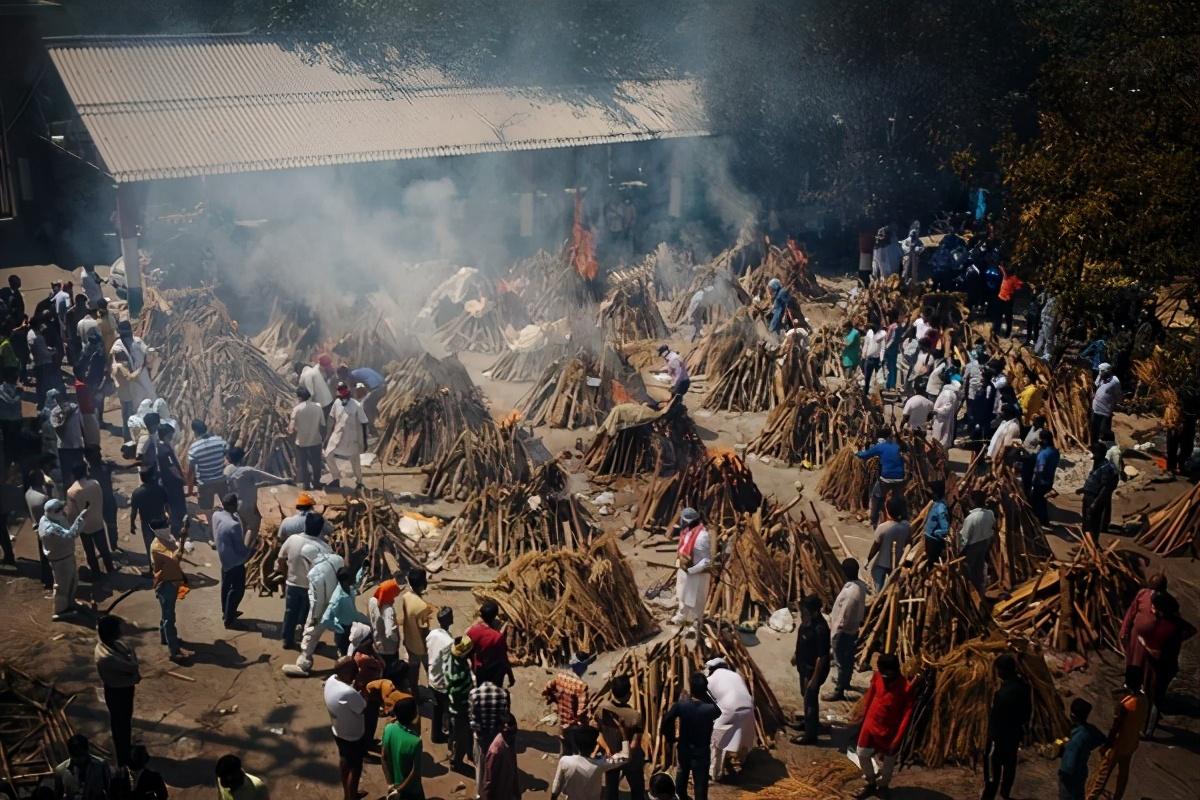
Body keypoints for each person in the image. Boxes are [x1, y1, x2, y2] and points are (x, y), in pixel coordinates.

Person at [1128, 591, 1195, 736]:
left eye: (1154, 606)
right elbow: (1191, 630)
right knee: (1156, 695)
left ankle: (1147, 731)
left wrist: (1143, 643)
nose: (1151, 607)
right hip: (1170, 665)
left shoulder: (1163, 629)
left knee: (1154, 699)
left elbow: (1155, 652)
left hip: (1160, 668)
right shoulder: (1176, 622)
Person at [854, 654, 913, 798]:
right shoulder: (877, 677)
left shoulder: (906, 688)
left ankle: (884, 786)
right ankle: (870, 781)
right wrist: (862, 719)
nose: (885, 677)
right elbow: (870, 697)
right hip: (870, 724)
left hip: (890, 730)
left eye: (888, 674)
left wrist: (897, 740)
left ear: (896, 670)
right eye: (883, 673)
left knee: (888, 762)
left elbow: (906, 716)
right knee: (861, 753)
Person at [1085, 666, 1148, 800]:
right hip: (1132, 743)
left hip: (1118, 745)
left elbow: (1115, 728)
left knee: (1102, 775)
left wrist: (1106, 746)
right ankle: (1118, 797)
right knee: (1123, 772)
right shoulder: (1144, 700)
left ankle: (1090, 798)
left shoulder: (1125, 704)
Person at [284, 547, 347, 676]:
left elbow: (317, 600)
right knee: (343, 632)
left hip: (324, 607)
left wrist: (313, 618)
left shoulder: (315, 574)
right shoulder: (337, 559)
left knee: (310, 634)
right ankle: (346, 662)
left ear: (307, 559)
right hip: (341, 601)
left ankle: (304, 664)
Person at [275, 511, 331, 649]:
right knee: (310, 617)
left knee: (290, 613)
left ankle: (287, 640)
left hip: (292, 584)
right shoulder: (324, 548)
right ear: (320, 529)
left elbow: (281, 559)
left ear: (305, 525)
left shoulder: (292, 540)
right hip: (311, 588)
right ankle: (307, 642)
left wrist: (285, 573)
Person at [981, 653, 1032, 800]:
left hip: (997, 739)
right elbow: (1027, 713)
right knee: (1009, 767)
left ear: (1002, 671)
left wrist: (990, 738)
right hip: (1014, 736)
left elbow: (996, 719)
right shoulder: (1024, 687)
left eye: (998, 670)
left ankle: (988, 797)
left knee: (992, 773)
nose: (997, 673)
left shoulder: (1002, 695)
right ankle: (1005, 794)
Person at [662, 671, 721, 800]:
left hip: (684, 748)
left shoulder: (682, 706)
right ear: (705, 689)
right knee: (700, 785)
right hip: (702, 751)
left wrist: (670, 738)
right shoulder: (709, 709)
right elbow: (719, 712)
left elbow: (666, 720)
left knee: (681, 779)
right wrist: (706, 693)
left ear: (691, 689)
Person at [95, 615, 141, 767]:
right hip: (119, 692)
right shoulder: (108, 657)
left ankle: (125, 749)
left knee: (122, 722)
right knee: (121, 724)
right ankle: (124, 758)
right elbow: (133, 666)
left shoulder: (108, 646)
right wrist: (132, 659)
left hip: (120, 688)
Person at [324, 657, 368, 800]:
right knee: (355, 769)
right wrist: (362, 688)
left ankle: (347, 794)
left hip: (338, 730)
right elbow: (362, 707)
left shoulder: (331, 680)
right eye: (354, 672)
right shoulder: (348, 693)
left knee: (345, 762)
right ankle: (352, 796)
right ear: (346, 673)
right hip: (353, 736)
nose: (355, 675)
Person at [705, 658, 754, 782]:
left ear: (711, 669)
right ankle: (742, 761)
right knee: (744, 735)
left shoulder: (710, 679)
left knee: (717, 741)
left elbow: (707, 702)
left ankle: (715, 773)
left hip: (729, 708)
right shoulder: (736, 676)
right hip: (748, 707)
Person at [825, 558, 867, 702]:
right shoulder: (860, 586)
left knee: (841, 661)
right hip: (852, 629)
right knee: (848, 659)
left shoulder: (850, 593)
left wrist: (835, 634)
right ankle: (845, 682)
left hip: (843, 631)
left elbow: (843, 616)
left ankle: (839, 691)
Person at [550, 724, 629, 800]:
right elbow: (626, 757)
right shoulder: (600, 764)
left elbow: (557, 783)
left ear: (576, 745)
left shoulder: (565, 761)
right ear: (595, 746)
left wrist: (553, 798)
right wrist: (623, 732)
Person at [598, 674, 645, 800]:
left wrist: (607, 749)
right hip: (630, 759)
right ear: (628, 694)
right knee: (637, 790)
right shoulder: (635, 716)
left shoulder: (601, 709)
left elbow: (598, 734)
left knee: (611, 789)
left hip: (611, 756)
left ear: (612, 691)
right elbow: (634, 745)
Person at [39, 498, 88, 620]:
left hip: (66, 556)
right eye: (60, 509)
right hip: (61, 560)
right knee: (62, 586)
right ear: (54, 512)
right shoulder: (50, 527)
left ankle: (70, 603)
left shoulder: (48, 517)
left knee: (72, 581)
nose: (63, 510)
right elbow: (70, 535)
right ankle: (59, 611)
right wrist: (81, 518)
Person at [223, 446, 287, 538]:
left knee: (243, 526)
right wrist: (283, 480)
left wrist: (264, 484)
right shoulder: (247, 471)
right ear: (243, 457)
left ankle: (240, 545)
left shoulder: (228, 473)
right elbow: (265, 476)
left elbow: (246, 487)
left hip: (236, 504)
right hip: (247, 505)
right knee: (253, 527)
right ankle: (245, 549)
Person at [150, 521, 191, 663]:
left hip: (171, 582)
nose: (167, 528)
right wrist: (183, 540)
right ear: (156, 530)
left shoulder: (166, 540)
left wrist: (183, 536)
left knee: (166, 613)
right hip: (165, 585)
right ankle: (174, 651)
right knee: (169, 618)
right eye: (164, 527)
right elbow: (175, 559)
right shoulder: (157, 547)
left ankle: (165, 638)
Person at [791, 595, 830, 745]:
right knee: (805, 695)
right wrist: (796, 655)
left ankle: (810, 735)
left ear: (814, 612)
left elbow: (822, 657)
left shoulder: (820, 628)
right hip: (803, 666)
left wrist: (814, 678)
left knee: (810, 699)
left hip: (813, 670)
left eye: (805, 611)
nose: (802, 613)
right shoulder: (807, 622)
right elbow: (801, 639)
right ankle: (810, 723)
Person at [470, 663, 513, 795]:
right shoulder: (503, 694)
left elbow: (472, 721)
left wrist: (478, 732)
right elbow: (505, 717)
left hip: (481, 735)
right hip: (496, 735)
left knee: (481, 766)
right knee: (495, 765)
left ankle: (480, 793)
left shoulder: (474, 694)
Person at [212, 493, 253, 629]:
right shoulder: (233, 525)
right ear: (233, 505)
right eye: (236, 504)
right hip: (235, 562)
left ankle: (226, 611)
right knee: (237, 590)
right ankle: (229, 620)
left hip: (224, 559)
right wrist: (251, 549)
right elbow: (241, 549)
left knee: (226, 586)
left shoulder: (216, 515)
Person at [66, 461, 114, 577]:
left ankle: (96, 573)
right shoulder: (95, 484)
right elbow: (100, 500)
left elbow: (72, 513)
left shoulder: (71, 491)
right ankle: (110, 569)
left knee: (90, 552)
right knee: (104, 549)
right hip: (98, 521)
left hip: (84, 527)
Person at [671, 507, 711, 632]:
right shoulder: (687, 531)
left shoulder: (702, 537)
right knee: (682, 594)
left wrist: (692, 571)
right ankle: (681, 616)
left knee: (696, 599)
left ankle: (696, 623)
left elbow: (706, 561)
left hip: (697, 573)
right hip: (685, 569)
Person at [543, 652, 592, 752]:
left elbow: (546, 689)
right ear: (582, 667)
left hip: (562, 720)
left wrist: (553, 701)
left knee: (563, 744)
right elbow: (580, 711)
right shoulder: (581, 686)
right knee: (575, 749)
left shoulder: (560, 676)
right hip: (573, 726)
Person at [856, 429, 904, 528]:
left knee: (876, 496)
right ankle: (900, 518)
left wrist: (857, 453)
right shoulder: (897, 446)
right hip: (900, 478)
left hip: (886, 478)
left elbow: (865, 455)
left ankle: (872, 520)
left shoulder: (881, 446)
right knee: (897, 499)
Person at [324, 382, 368, 491]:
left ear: (348, 390)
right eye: (340, 389)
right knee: (328, 455)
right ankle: (336, 478)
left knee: (355, 461)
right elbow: (331, 419)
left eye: (343, 389)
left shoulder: (356, 405)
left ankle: (359, 482)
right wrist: (327, 437)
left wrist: (364, 442)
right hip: (337, 436)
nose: (342, 391)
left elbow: (364, 422)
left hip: (351, 438)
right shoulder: (337, 403)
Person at [1060, 699, 1106, 800]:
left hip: (1071, 778)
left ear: (1072, 715)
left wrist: (1062, 774)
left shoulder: (1075, 741)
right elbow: (1102, 739)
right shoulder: (1090, 730)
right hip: (1082, 773)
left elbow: (1069, 766)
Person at [381, 695, 424, 799]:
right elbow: (415, 771)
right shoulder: (415, 742)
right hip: (411, 789)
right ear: (413, 715)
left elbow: (383, 757)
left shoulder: (389, 728)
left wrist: (390, 784)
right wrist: (399, 790)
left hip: (394, 784)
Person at [398, 568, 435, 690]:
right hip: (421, 647)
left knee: (413, 671)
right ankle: (432, 692)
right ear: (422, 584)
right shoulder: (422, 607)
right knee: (430, 670)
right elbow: (424, 631)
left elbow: (406, 620)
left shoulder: (406, 597)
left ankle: (415, 694)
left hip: (409, 641)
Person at [446, 634, 476, 773]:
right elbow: (463, 692)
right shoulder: (461, 673)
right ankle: (456, 763)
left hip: (451, 706)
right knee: (462, 739)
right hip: (460, 709)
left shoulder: (450, 659)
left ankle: (451, 750)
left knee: (454, 733)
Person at [467, 600, 515, 685]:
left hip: (480, 670)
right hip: (495, 672)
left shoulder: (472, 631)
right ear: (494, 616)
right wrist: (510, 676)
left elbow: (468, 651)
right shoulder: (497, 637)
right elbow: (503, 659)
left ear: (481, 615)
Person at [110, 319, 156, 408]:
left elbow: (147, 352)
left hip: (142, 375)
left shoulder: (137, 341)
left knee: (150, 397)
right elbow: (123, 369)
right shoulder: (118, 346)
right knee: (136, 404)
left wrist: (151, 352)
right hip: (128, 380)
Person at [25, 465, 58, 589]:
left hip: (37, 528)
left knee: (43, 556)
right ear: (38, 480)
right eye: (41, 477)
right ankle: (54, 580)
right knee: (53, 556)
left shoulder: (28, 493)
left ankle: (46, 579)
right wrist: (50, 492)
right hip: (48, 529)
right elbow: (54, 510)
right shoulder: (43, 498)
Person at [128, 469, 169, 568]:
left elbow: (134, 512)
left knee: (150, 548)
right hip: (161, 522)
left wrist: (132, 524)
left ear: (142, 479)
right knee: (163, 547)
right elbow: (167, 506)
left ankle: (153, 570)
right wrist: (170, 519)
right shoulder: (160, 489)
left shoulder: (137, 493)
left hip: (147, 525)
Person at [426, 606, 455, 744]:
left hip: (432, 678)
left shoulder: (433, 634)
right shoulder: (449, 642)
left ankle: (435, 735)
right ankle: (446, 734)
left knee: (436, 710)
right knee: (447, 710)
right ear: (449, 620)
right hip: (442, 683)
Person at [867, 495, 909, 590]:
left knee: (876, 575)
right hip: (897, 562)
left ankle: (878, 595)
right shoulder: (907, 526)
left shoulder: (883, 527)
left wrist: (869, 558)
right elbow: (908, 543)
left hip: (882, 562)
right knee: (893, 583)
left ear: (887, 510)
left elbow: (876, 546)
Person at [185, 419, 227, 512]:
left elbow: (190, 472)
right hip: (221, 480)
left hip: (205, 484)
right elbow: (227, 457)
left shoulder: (194, 448)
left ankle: (212, 525)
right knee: (228, 507)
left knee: (207, 510)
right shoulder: (220, 441)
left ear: (195, 431)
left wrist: (190, 490)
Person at [55, 734, 113, 800]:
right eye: (75, 756)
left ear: (87, 751)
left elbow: (109, 789)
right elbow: (58, 795)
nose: (79, 759)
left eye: (81, 754)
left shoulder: (100, 765)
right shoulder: (61, 770)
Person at [1080, 445, 1119, 543]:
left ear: (1099, 454)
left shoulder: (1105, 468)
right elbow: (1094, 481)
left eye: (1094, 453)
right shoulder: (1097, 464)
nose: (1093, 456)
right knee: (1086, 523)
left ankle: (1093, 545)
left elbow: (1105, 488)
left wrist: (1095, 503)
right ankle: (1085, 545)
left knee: (1092, 524)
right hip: (1089, 496)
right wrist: (1083, 489)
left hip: (1095, 498)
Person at [960, 492, 997, 593]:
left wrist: (960, 550)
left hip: (972, 546)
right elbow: (992, 526)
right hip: (985, 543)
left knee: (969, 568)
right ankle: (981, 588)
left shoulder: (970, 519)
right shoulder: (990, 513)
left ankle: (971, 591)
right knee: (980, 565)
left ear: (973, 502)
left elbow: (965, 537)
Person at [289, 386, 325, 489]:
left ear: (299, 397)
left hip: (301, 442)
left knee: (303, 464)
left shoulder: (296, 409)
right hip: (316, 440)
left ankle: (306, 484)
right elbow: (322, 424)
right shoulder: (318, 407)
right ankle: (317, 483)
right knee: (316, 463)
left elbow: (291, 429)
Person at [480, 714, 521, 800]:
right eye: (508, 729)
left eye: (513, 727)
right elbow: (488, 780)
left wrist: (517, 793)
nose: (512, 732)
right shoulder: (495, 750)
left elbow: (514, 770)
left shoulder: (510, 742)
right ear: (501, 729)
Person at [1030, 430, 1060, 525]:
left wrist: (1035, 478)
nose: (1039, 441)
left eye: (1041, 439)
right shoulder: (1055, 452)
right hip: (1049, 480)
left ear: (1045, 440)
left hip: (1040, 482)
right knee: (1042, 502)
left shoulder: (1043, 454)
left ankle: (1039, 521)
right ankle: (1044, 520)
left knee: (1037, 502)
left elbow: (1040, 469)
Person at [1091, 363, 1122, 444]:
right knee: (1094, 427)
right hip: (1095, 407)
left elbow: (1118, 395)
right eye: (1099, 371)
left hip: (1105, 409)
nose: (1100, 373)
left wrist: (1115, 404)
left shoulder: (1115, 381)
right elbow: (1096, 384)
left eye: (1102, 371)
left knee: (1103, 428)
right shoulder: (1100, 377)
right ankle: (1094, 443)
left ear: (1108, 371)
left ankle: (1105, 443)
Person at [923, 481, 951, 564]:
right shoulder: (937, 503)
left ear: (937, 493)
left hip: (933, 541)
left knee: (931, 562)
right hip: (930, 538)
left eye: (932, 492)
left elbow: (945, 529)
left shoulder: (940, 509)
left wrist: (936, 533)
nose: (930, 494)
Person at [930, 378, 961, 449]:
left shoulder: (948, 394)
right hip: (945, 417)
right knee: (944, 435)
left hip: (941, 418)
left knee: (939, 436)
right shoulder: (952, 394)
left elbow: (947, 408)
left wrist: (936, 410)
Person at [995, 266, 1023, 337]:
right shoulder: (1005, 275)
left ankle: (1007, 334)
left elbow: (1019, 287)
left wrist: (1011, 293)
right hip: (1001, 298)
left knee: (1008, 318)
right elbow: (1002, 269)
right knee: (998, 315)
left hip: (1007, 301)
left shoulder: (1014, 279)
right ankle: (997, 331)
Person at [860, 320, 885, 398]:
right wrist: (863, 353)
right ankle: (865, 393)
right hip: (869, 358)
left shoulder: (882, 334)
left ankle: (880, 395)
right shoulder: (870, 332)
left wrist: (881, 359)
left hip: (877, 359)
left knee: (880, 379)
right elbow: (866, 343)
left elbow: (883, 348)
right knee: (867, 377)